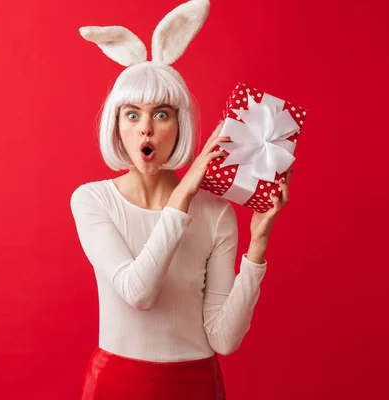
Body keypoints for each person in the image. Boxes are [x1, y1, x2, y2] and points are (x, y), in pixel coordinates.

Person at [70, 1, 292, 398]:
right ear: (116, 126)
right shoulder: (92, 200)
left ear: (180, 122)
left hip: (196, 387)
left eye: (161, 114)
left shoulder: (217, 211)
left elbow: (224, 339)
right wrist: (186, 191)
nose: (146, 131)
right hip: (115, 386)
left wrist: (258, 246)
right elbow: (138, 293)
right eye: (132, 115)